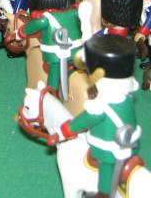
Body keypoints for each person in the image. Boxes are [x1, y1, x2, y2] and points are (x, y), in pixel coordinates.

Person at [56, 34, 140, 198]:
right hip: (131, 145)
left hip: (109, 150)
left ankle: (104, 193)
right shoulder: (127, 99)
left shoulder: (100, 107)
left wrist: (61, 132)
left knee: (106, 169)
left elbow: (80, 122)